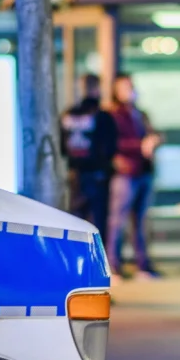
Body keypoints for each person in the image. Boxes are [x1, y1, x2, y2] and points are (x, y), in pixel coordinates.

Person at [106, 73, 162, 281]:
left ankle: (143, 266)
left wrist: (154, 140)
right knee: (117, 221)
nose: (129, 91)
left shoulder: (140, 114)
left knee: (140, 222)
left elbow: (154, 133)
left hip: (143, 171)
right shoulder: (114, 115)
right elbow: (114, 143)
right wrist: (140, 145)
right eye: (124, 88)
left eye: (130, 87)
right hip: (126, 173)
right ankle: (114, 266)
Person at [60, 74, 117, 241]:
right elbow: (110, 147)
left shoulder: (68, 114)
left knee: (76, 221)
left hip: (75, 175)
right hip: (97, 175)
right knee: (98, 222)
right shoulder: (102, 116)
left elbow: (62, 146)